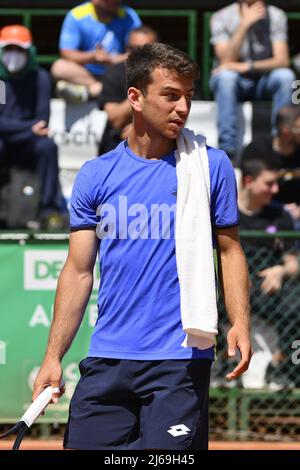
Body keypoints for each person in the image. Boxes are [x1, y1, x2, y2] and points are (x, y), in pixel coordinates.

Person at [33, 43, 252, 450]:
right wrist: (52, 357)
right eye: (171, 95)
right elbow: (79, 272)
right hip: (108, 357)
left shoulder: (209, 165)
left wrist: (239, 319)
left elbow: (230, 250)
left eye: (188, 95)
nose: (183, 107)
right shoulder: (96, 175)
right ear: (135, 97)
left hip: (180, 360)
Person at [238, 148, 299, 389]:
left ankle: (285, 369)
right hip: (229, 289)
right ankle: (220, 363)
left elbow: (293, 262)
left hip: (268, 290)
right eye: (269, 184)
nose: (275, 190)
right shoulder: (224, 212)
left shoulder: (279, 216)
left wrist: (281, 271)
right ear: (249, 181)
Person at [209, 0, 295, 162]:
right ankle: (229, 151)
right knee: (226, 77)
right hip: (234, 81)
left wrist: (247, 66)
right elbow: (225, 61)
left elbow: (282, 60)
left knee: (285, 76)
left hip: (264, 79)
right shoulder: (220, 16)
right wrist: (244, 24)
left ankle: (280, 142)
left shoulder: (276, 15)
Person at [0, 25, 67, 229]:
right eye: (9, 49)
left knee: (47, 147)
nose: (14, 55)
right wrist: (28, 128)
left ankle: (49, 210)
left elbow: (42, 119)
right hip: (7, 140)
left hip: (29, 143)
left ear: (29, 52)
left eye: (19, 50)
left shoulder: (40, 78)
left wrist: (23, 130)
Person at [52, 0, 141, 103]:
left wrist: (114, 59)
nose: (114, 2)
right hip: (87, 74)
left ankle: (91, 92)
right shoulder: (77, 15)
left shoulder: (129, 15)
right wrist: (92, 57)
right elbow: (66, 53)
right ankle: (99, 89)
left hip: (119, 73)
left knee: (141, 65)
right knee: (59, 67)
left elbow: (140, 51)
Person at [98, 25, 158, 154]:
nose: (138, 54)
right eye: (133, 48)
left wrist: (141, 129)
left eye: (145, 50)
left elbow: (176, 115)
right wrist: (143, 88)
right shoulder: (115, 73)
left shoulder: (167, 76)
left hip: (156, 141)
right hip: (117, 143)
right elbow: (115, 119)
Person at [242, 105, 300, 226]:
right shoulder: (258, 149)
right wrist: (284, 210)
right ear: (286, 132)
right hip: (261, 215)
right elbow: (246, 189)